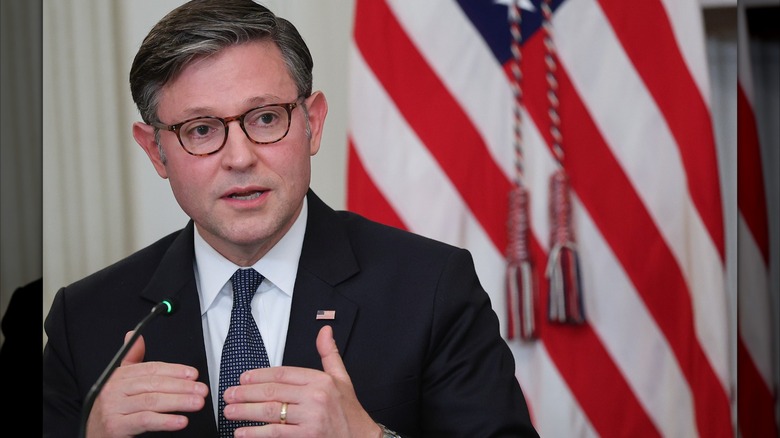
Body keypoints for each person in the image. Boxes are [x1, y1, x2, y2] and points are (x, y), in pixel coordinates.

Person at [42, 1, 539, 437]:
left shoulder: (429, 288)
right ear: (156, 152)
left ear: (312, 122)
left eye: (265, 118)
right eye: (200, 129)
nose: (239, 157)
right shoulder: (84, 319)